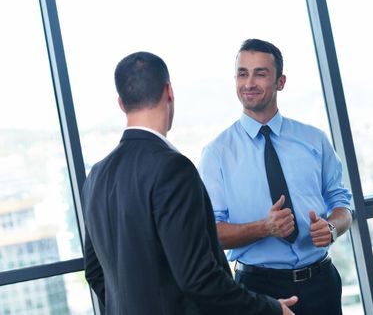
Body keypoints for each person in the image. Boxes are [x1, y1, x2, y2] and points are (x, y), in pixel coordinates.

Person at [82, 51, 297, 314]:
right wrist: (271, 309)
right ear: (169, 91)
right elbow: (199, 278)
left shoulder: (96, 176)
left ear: (121, 103)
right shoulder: (173, 168)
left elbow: (94, 271)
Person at [198, 39, 353, 315]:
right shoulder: (217, 154)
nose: (249, 82)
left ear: (280, 82)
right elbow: (211, 233)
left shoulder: (314, 140)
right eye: (242, 73)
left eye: (260, 73)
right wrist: (264, 228)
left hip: (322, 283)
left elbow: (342, 204)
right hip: (258, 292)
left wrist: (331, 228)